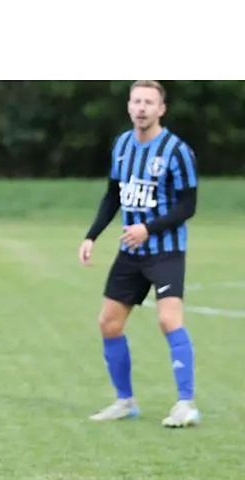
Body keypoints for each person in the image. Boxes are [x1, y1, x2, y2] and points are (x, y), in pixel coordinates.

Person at [79, 80, 200, 428]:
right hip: (130, 251)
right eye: (136, 101)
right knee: (109, 323)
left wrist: (149, 228)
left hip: (166, 251)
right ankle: (124, 400)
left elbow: (188, 205)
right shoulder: (121, 145)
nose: (142, 107)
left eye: (149, 101)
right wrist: (92, 236)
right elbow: (112, 196)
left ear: (161, 109)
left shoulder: (177, 150)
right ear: (129, 107)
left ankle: (186, 403)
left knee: (168, 319)